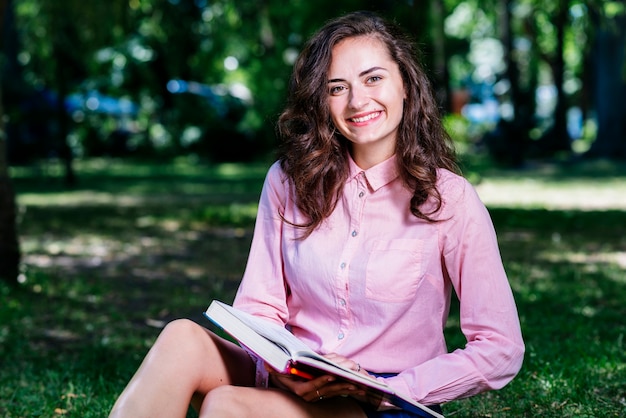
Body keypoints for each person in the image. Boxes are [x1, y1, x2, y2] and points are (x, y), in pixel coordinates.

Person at [109, 11, 524, 418]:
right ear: (321, 99)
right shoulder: (288, 181)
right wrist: (282, 369)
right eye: (337, 87)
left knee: (227, 405)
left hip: (383, 396)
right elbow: (258, 306)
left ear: (406, 86)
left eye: (373, 78)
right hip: (292, 372)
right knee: (182, 337)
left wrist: (390, 390)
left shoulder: (448, 199)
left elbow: (500, 348)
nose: (357, 100)